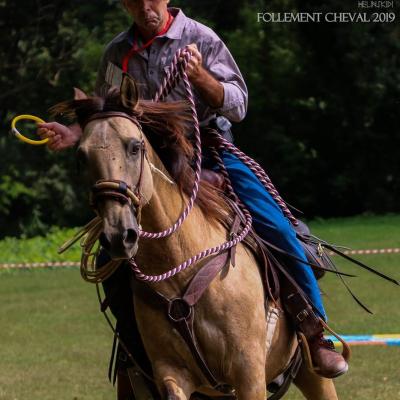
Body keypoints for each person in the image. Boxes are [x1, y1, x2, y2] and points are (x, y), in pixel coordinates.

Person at [38, 0, 348, 379]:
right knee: (110, 260)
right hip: (148, 162)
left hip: (209, 151)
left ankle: (313, 330)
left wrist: (202, 78)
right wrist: (75, 133)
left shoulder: (200, 38)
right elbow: (108, 114)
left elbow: (238, 104)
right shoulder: (117, 52)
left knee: (276, 227)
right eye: (132, 1)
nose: (143, 7)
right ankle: (138, 354)